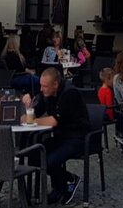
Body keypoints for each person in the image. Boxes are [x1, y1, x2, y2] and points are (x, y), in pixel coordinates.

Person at [22, 67, 90, 205]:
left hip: (78, 137)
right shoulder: (46, 94)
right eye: (41, 85)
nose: (41, 89)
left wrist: (32, 121)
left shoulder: (69, 93)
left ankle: (68, 181)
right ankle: (60, 186)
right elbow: (34, 113)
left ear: (55, 85)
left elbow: (53, 121)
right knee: (34, 156)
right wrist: (28, 107)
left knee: (50, 160)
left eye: (45, 86)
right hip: (61, 135)